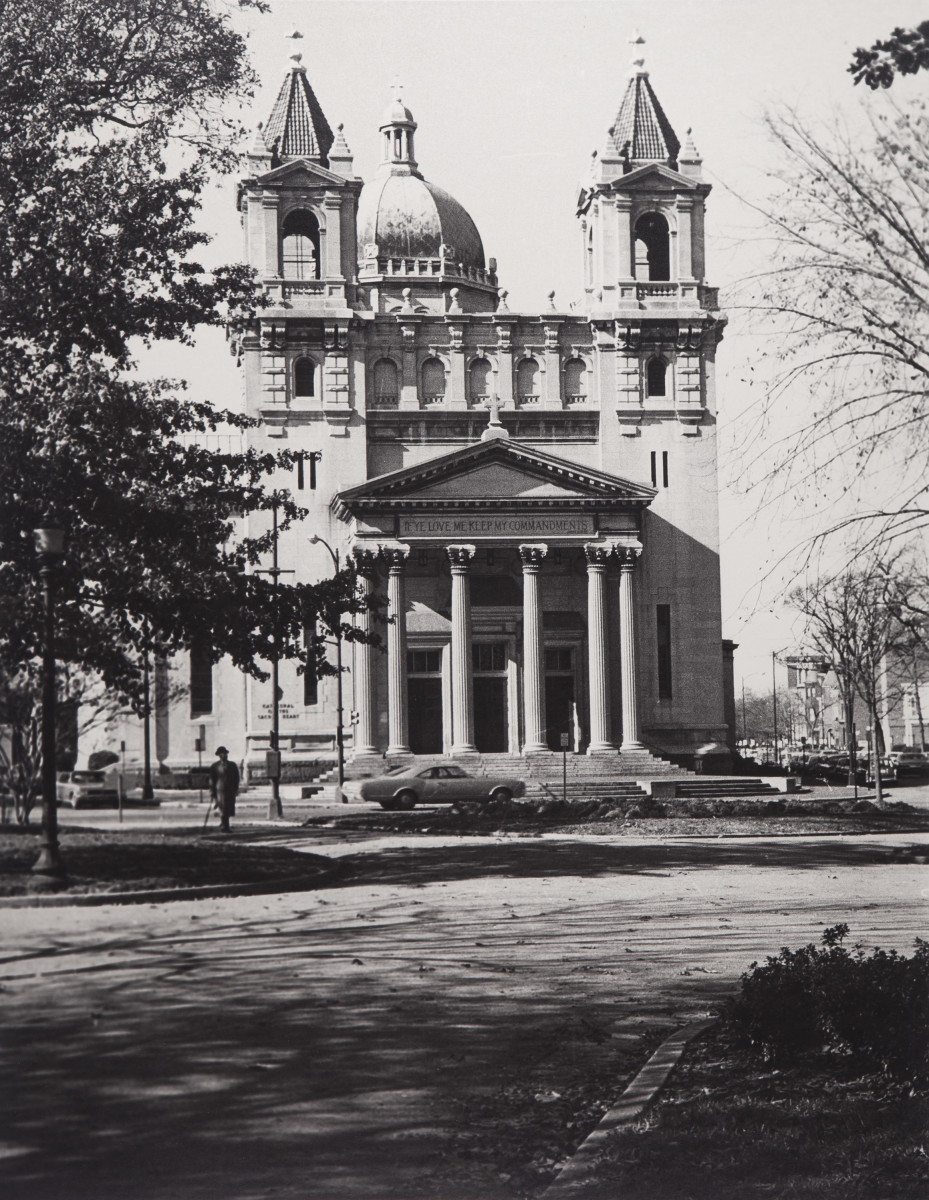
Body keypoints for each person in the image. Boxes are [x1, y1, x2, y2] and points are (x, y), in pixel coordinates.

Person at [209, 747, 240, 832]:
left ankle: (224, 823)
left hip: (230, 790)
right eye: (222, 754)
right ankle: (225, 826)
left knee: (229, 808)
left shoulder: (232, 765)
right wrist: (212, 791)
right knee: (222, 808)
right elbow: (212, 780)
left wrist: (236, 788)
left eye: (225, 753)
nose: (224, 755)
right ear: (219, 755)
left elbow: (236, 777)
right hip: (220, 790)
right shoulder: (215, 766)